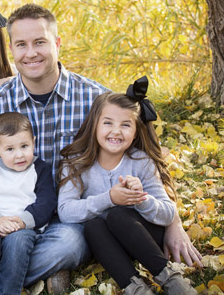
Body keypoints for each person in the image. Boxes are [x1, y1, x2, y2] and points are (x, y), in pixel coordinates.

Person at [0, 3, 202, 294]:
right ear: (11, 50)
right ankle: (43, 272)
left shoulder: (94, 98)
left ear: (58, 43)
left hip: (65, 219)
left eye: (40, 42)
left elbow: (146, 156)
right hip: (3, 215)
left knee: (70, 245)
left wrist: (173, 222)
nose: (31, 52)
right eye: (21, 44)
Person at [58, 77, 197, 295]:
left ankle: (171, 280)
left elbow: (168, 213)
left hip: (144, 238)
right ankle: (135, 288)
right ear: (94, 124)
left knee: (119, 215)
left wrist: (141, 198)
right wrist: (109, 198)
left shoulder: (141, 162)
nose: (116, 131)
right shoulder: (76, 163)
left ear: (136, 131)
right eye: (108, 123)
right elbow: (65, 211)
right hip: (109, 245)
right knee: (93, 226)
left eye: (125, 125)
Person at [0, 112, 56, 294]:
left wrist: (21, 222)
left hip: (25, 227)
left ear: (34, 141)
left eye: (24, 146)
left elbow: (46, 201)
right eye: (10, 149)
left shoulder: (41, 169)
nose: (19, 155)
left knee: (17, 244)